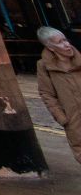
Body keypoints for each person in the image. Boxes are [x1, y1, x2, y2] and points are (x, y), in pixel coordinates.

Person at [36, 25, 81, 163]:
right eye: (60, 42)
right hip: (73, 117)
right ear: (50, 47)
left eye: (65, 40)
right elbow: (46, 94)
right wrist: (61, 117)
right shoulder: (44, 66)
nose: (66, 44)